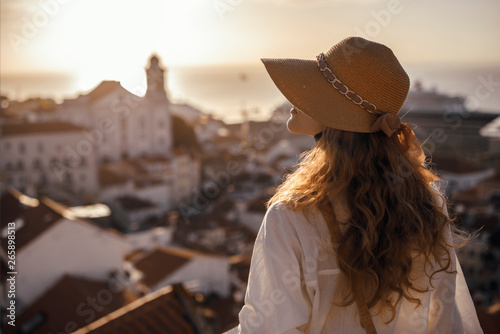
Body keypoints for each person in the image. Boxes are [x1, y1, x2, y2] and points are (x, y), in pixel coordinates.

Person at [236, 37, 483, 333]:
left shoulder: (291, 216)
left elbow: (268, 327)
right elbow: (446, 323)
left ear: (337, 112)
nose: (293, 95)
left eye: (312, 89)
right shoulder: (426, 204)